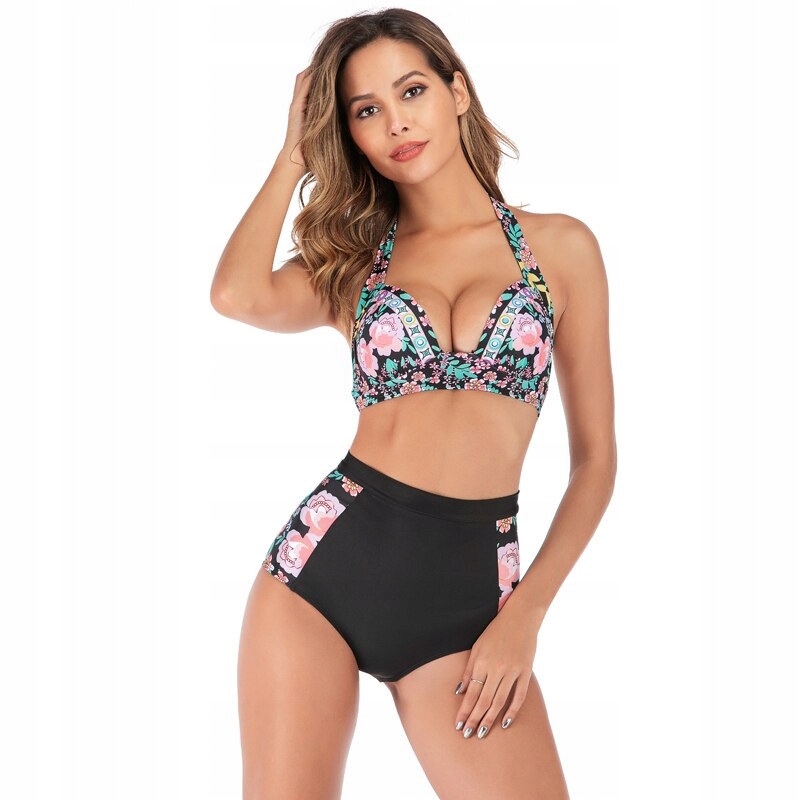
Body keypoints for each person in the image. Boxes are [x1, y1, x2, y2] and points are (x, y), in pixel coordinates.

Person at [210, 8, 616, 799]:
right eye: (366, 110)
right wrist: (292, 153)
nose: (396, 122)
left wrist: (524, 617)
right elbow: (237, 294)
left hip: (469, 603)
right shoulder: (355, 264)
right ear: (349, 133)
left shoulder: (561, 249)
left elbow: (597, 462)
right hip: (320, 577)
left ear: (457, 92)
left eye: (412, 91)